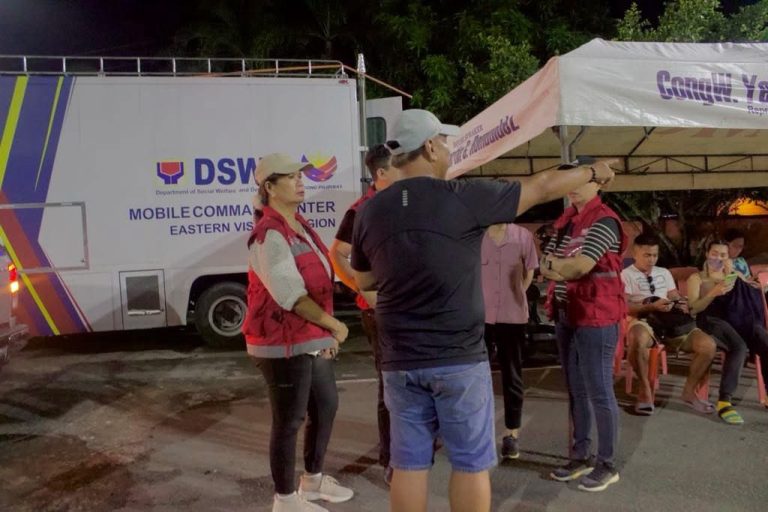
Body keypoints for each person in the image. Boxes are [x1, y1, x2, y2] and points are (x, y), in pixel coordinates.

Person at [350, 109, 616, 512]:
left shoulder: (371, 210)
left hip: (399, 360)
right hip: (457, 358)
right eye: (446, 143)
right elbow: (542, 186)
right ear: (430, 147)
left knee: (408, 464)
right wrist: (593, 172)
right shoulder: (463, 197)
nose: (449, 152)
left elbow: (365, 279)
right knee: (470, 464)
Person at [243, 153, 354, 512]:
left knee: (325, 405)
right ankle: (286, 499)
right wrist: (334, 326)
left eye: (300, 176)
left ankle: (313, 481)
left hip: (308, 336)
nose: (300, 181)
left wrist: (323, 334)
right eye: (290, 177)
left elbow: (320, 281)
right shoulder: (269, 235)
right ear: (270, 187)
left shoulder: (298, 225)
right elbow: (290, 294)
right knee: (289, 420)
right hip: (280, 343)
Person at [540, 157, 625, 492]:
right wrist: (559, 264)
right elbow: (545, 265)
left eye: (580, 178)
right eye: (569, 180)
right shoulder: (567, 222)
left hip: (596, 316)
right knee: (576, 390)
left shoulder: (604, 221)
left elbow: (580, 267)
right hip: (567, 313)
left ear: (598, 182)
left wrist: (558, 265)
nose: (572, 186)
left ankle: (607, 463)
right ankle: (580, 456)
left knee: (599, 391)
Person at [329, 144, 397, 482]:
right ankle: (391, 458)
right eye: (398, 166)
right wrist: (363, 290)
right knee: (390, 385)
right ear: (381, 173)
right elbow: (337, 254)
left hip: (409, 307)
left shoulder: (402, 201)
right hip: (381, 312)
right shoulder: (362, 210)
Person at [621, 232, 716, 415]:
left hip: (670, 320)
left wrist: (680, 302)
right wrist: (650, 306)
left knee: (708, 345)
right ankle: (645, 391)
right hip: (643, 319)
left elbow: (673, 295)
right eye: (647, 255)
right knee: (637, 338)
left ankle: (689, 392)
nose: (651, 260)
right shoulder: (626, 275)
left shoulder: (663, 272)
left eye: (654, 255)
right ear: (635, 253)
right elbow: (624, 307)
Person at [687, 240, 768, 423]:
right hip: (711, 320)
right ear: (707, 254)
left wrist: (741, 279)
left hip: (736, 320)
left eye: (723, 255)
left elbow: (748, 295)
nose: (718, 258)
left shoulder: (734, 274)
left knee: (764, 339)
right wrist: (713, 292)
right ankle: (725, 401)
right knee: (738, 346)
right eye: (714, 254)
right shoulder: (697, 278)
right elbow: (693, 309)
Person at [481, 222, 538, 460]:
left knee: (512, 375)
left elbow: (530, 269)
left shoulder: (522, 236)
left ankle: (511, 433)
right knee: (476, 376)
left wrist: (518, 294)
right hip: (480, 315)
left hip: (512, 316)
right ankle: (479, 431)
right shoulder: (477, 235)